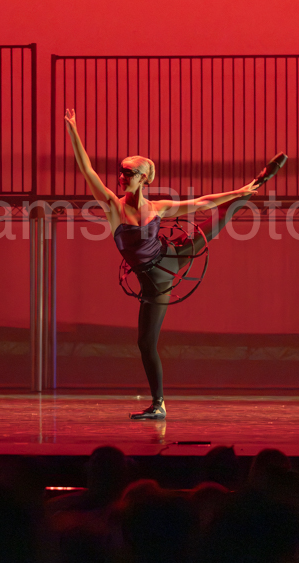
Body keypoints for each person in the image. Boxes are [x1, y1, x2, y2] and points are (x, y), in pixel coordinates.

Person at [64, 107, 286, 420]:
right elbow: (86, 169)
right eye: (120, 172)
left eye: (128, 173)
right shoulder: (113, 206)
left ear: (143, 178)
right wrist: (73, 130)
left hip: (171, 258)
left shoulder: (158, 208)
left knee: (219, 217)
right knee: (145, 343)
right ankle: (159, 404)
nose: (121, 177)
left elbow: (202, 203)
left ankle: (257, 182)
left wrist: (238, 191)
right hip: (155, 282)